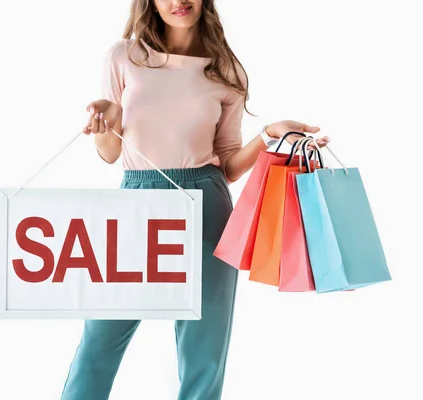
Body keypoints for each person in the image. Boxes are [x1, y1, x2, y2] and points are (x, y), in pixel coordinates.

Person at [61, 1, 329, 399]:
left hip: (206, 205)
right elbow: (110, 153)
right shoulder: (124, 56)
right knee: (100, 338)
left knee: (204, 352)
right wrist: (105, 121)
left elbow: (230, 165)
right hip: (138, 200)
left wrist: (269, 134)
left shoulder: (226, 72)